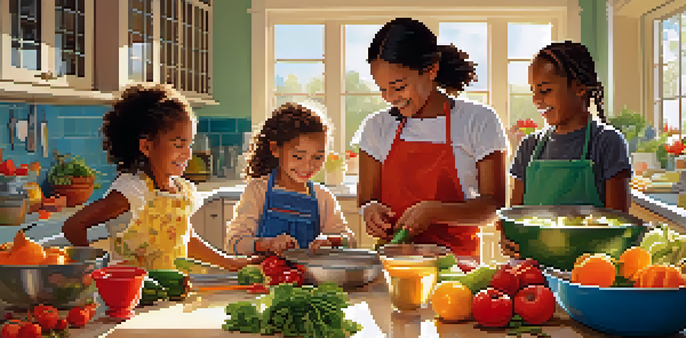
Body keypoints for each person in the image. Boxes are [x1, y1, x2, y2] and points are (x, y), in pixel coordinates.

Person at [354, 17, 509, 258]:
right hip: (394, 263)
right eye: (382, 89)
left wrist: (434, 212)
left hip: (458, 267)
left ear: (431, 70)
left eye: (398, 86)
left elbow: (493, 207)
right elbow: (366, 199)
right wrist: (369, 210)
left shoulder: (478, 120)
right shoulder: (376, 127)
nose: (390, 98)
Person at [63, 84, 254, 271]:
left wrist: (231, 263)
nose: (188, 155)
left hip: (172, 295)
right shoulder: (133, 191)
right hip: (135, 299)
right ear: (146, 146)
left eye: (189, 144)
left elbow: (186, 240)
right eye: (179, 144)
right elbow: (73, 225)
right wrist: (90, 268)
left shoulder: (182, 191)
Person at [501, 41, 632, 259]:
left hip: (588, 272)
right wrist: (508, 238)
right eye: (533, 92)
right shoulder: (529, 147)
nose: (536, 100)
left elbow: (616, 229)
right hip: (531, 274)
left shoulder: (607, 143)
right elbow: (515, 220)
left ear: (580, 87)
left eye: (545, 90)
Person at [224, 102, 355, 256]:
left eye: (318, 157)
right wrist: (268, 244)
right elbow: (233, 243)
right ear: (275, 149)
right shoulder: (258, 190)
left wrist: (331, 240)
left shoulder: (323, 198)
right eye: (298, 156)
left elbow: (350, 241)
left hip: (310, 279)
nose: (308, 165)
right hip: (264, 278)